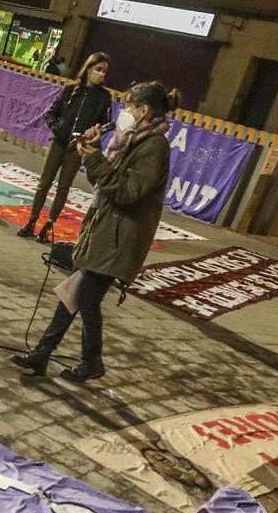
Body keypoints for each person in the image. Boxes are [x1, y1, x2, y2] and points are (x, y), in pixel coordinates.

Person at [12, 80, 174, 385]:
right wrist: (94, 151)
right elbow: (110, 180)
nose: (124, 112)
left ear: (144, 111)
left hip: (120, 238)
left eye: (128, 106)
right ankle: (43, 354)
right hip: (107, 231)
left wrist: (93, 159)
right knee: (73, 294)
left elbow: (127, 192)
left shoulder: (154, 147)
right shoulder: (134, 140)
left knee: (84, 298)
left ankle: (91, 362)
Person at [18, 53, 114, 243]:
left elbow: (108, 123)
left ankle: (48, 225)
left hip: (77, 148)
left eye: (104, 71)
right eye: (98, 69)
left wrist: (93, 133)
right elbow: (51, 113)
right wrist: (58, 127)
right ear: (89, 68)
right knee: (43, 184)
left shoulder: (104, 97)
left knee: (63, 188)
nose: (101, 74)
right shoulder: (70, 90)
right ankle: (32, 221)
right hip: (58, 143)